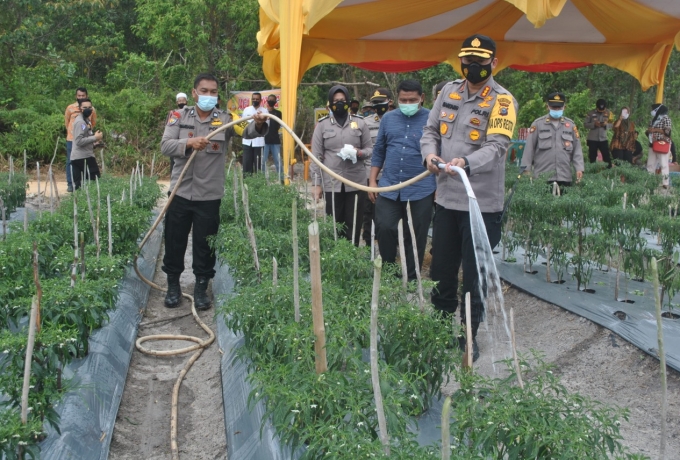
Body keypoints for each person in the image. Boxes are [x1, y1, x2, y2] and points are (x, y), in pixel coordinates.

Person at [420, 34, 518, 362]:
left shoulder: (502, 100)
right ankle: (438, 330)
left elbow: (497, 146)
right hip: (446, 201)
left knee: (473, 276)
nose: (472, 67)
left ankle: (469, 336)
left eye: (479, 61)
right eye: (467, 61)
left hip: (481, 205)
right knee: (442, 272)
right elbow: (431, 131)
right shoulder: (448, 92)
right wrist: (430, 156)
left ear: (494, 62)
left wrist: (467, 163)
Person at [161, 73, 267, 309]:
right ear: (194, 93)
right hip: (180, 191)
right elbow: (165, 145)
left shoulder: (226, 118)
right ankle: (173, 285)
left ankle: (201, 287)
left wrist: (258, 123)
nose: (209, 96)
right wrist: (189, 143)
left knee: (205, 243)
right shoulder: (178, 116)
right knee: (174, 240)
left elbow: (246, 131)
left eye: (213, 92)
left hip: (209, 195)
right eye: (204, 91)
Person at [369, 80, 435, 280]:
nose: (407, 103)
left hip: (421, 188)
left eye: (412, 100)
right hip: (389, 186)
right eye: (403, 100)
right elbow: (379, 150)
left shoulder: (433, 118)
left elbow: (440, 152)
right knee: (385, 227)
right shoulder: (388, 119)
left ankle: (411, 277)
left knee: (415, 234)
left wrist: (439, 186)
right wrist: (373, 181)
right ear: (396, 99)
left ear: (422, 98)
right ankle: (389, 273)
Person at [310, 85, 372, 245]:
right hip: (332, 183)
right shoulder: (322, 125)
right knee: (334, 225)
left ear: (349, 102)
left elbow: (370, 149)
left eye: (342, 100)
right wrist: (316, 184)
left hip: (356, 183)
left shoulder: (360, 123)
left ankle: (352, 256)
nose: (339, 104)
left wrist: (359, 153)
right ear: (330, 103)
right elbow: (316, 157)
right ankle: (335, 260)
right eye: (335, 101)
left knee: (354, 225)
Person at [521, 92, 584, 186]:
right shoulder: (538, 124)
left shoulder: (570, 125)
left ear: (564, 107)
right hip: (542, 177)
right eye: (554, 107)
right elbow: (529, 149)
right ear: (547, 107)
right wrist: (526, 170)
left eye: (559, 107)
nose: (557, 109)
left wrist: (579, 168)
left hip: (564, 176)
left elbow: (577, 149)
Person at [361, 87, 392, 245]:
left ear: (390, 102)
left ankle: (388, 244)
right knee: (369, 212)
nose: (378, 106)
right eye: (375, 103)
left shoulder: (397, 120)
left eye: (381, 102)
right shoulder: (366, 123)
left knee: (388, 214)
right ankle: (368, 244)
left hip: (391, 176)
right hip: (371, 175)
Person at [64, 87, 97, 192]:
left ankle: (84, 184)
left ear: (86, 96)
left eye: (83, 96)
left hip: (85, 139)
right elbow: (67, 122)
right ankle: (70, 184)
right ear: (76, 96)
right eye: (79, 96)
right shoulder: (70, 108)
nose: (81, 97)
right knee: (70, 161)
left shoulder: (91, 109)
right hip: (71, 139)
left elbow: (92, 122)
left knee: (85, 161)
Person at [70, 98, 103, 190]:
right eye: (85, 107)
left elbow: (84, 138)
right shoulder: (80, 122)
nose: (88, 109)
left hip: (81, 156)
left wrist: (94, 143)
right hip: (83, 158)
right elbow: (79, 141)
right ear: (80, 108)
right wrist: (95, 137)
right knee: (94, 182)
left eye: (89, 107)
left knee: (79, 185)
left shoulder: (86, 120)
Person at [645, 103, 672, 188]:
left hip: (662, 143)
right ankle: (650, 182)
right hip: (652, 143)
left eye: (653, 109)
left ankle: (665, 183)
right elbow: (649, 131)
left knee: (663, 164)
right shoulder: (653, 120)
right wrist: (649, 131)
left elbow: (667, 131)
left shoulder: (666, 118)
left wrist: (655, 129)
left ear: (658, 109)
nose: (652, 111)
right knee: (650, 164)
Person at [241, 92, 268, 174]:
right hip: (247, 142)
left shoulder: (264, 111)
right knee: (246, 164)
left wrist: (260, 122)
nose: (255, 100)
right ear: (251, 99)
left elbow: (267, 126)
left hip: (259, 143)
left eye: (257, 99)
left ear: (260, 100)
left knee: (258, 165)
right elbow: (242, 124)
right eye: (253, 99)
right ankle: (246, 183)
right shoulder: (246, 110)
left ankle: (257, 183)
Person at [584, 98, 613, 167]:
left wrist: (606, 125)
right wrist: (594, 124)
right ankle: (593, 172)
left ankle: (608, 172)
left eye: (602, 110)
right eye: (599, 109)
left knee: (606, 156)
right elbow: (585, 124)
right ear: (596, 107)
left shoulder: (609, 113)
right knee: (592, 157)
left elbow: (612, 124)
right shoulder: (590, 113)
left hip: (603, 138)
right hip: (592, 138)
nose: (601, 111)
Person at [262, 94, 283, 180]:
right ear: (267, 101)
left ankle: (281, 179)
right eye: (269, 99)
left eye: (273, 100)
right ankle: (262, 179)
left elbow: (278, 126)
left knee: (278, 161)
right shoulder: (263, 112)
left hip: (275, 140)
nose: (271, 101)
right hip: (264, 140)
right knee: (263, 161)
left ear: (275, 102)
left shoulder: (278, 113)